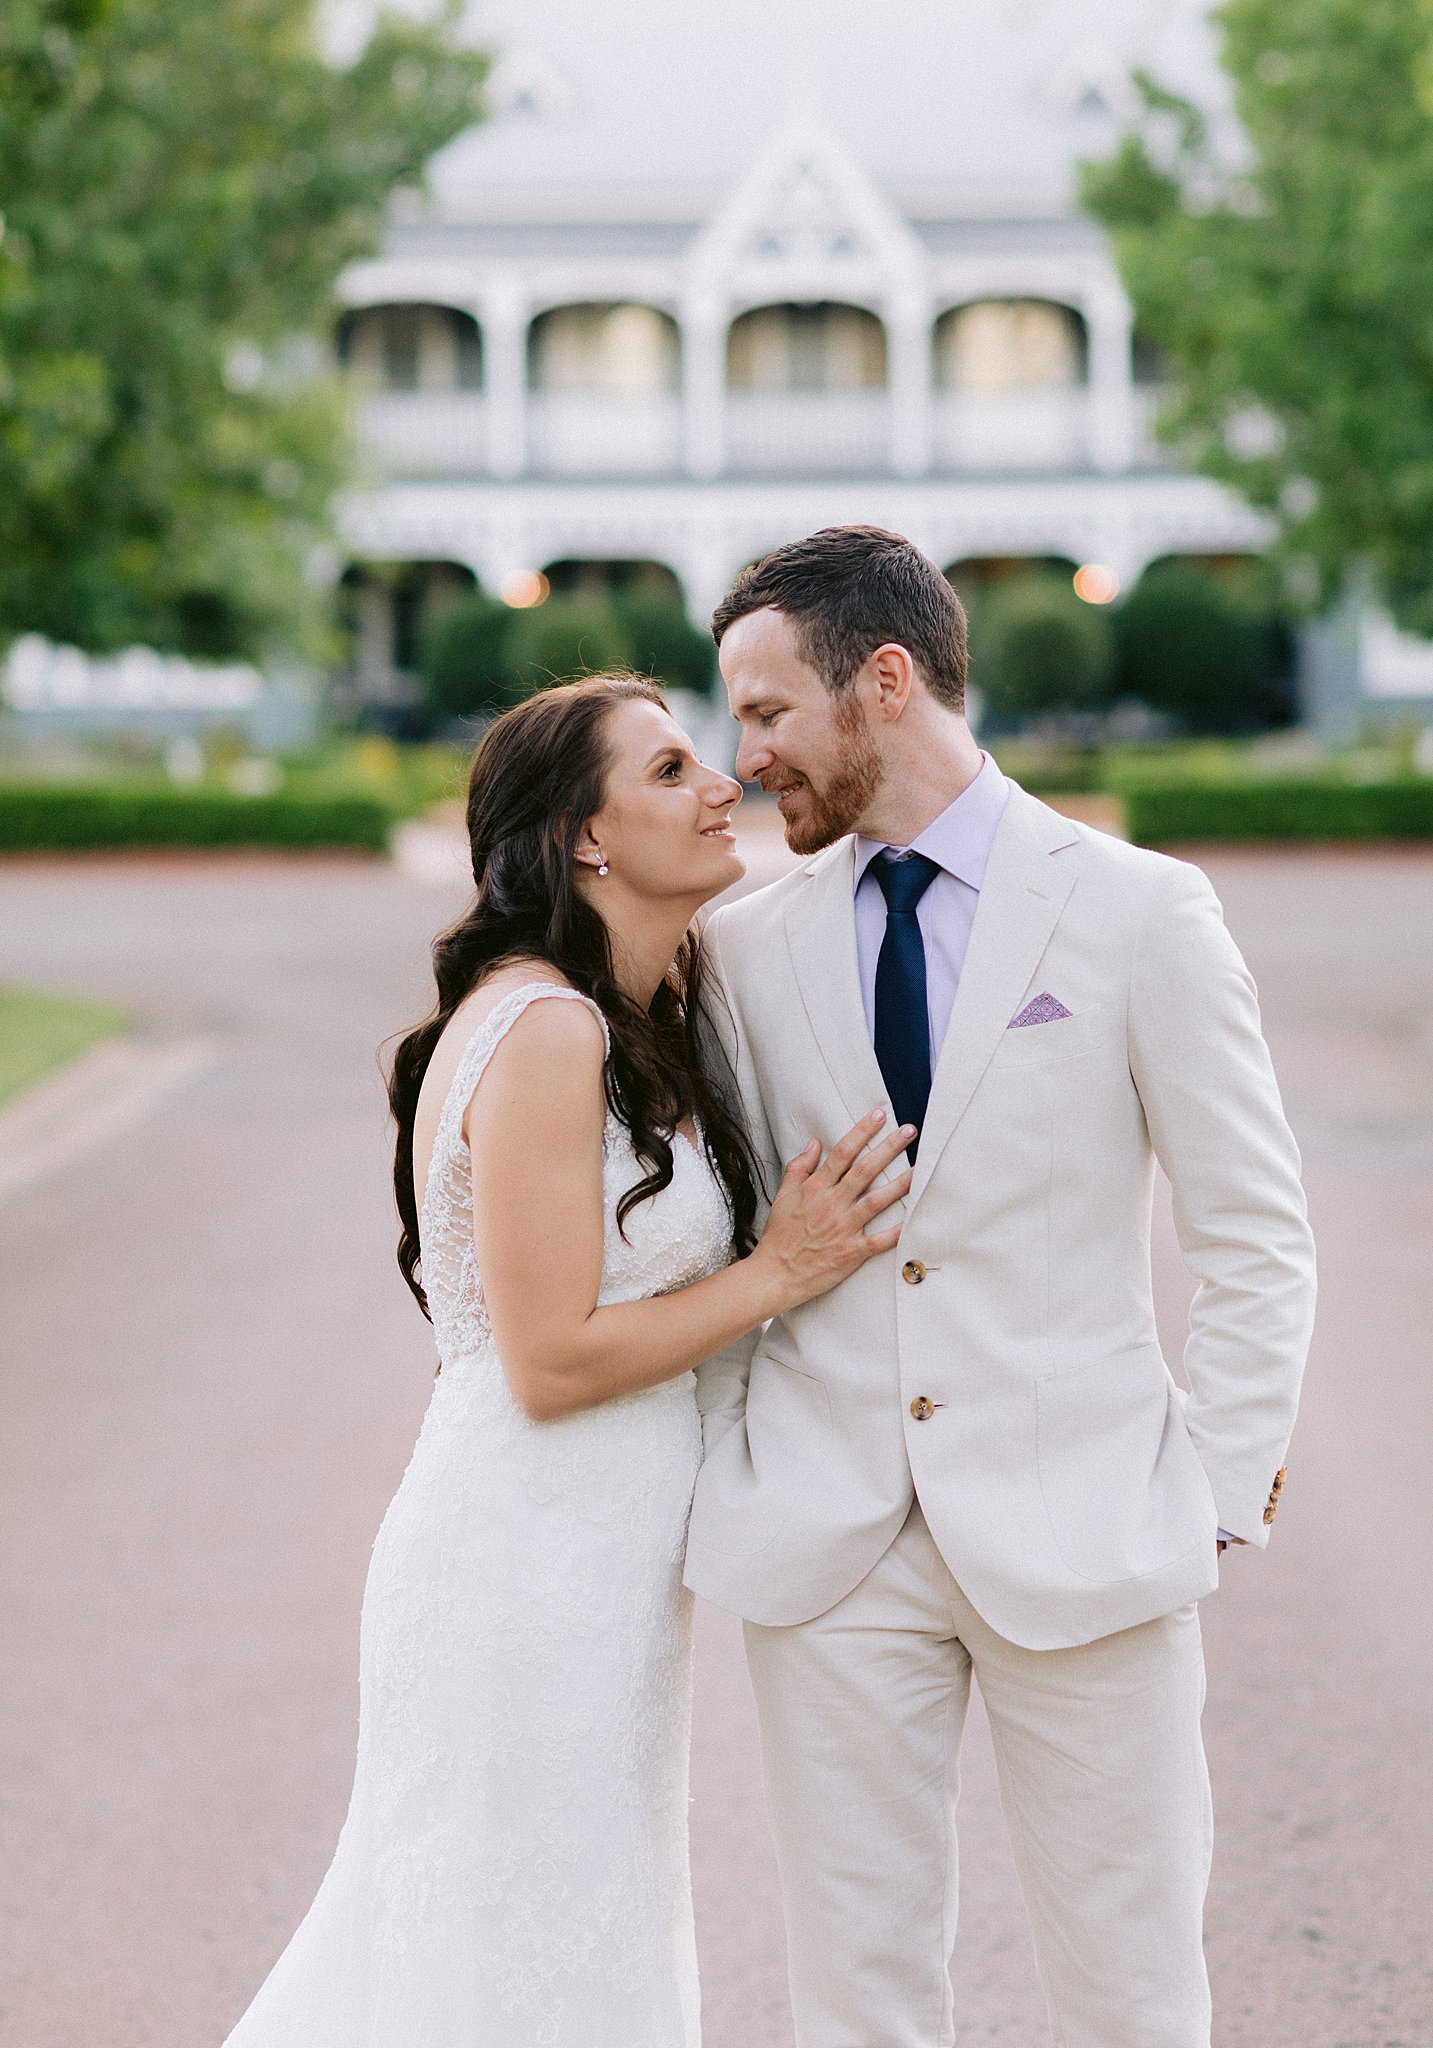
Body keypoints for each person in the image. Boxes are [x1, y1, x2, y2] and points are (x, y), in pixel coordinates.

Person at [686, 527, 1317, 2048]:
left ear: (883, 683)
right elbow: (713, 1235)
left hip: (1091, 1520)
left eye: (769, 711)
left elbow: (1251, 1229)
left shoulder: (1137, 911)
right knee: (854, 1999)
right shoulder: (742, 945)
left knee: (1130, 1989)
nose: (744, 753)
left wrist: (1214, 1487)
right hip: (829, 1544)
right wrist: (732, 1462)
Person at [221, 674, 913, 2048]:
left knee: (555, 1935)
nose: (720, 783)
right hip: (521, 1563)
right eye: (667, 772)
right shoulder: (549, 1030)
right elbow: (546, 1361)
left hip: (592, 1560)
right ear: (582, 838)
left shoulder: (621, 1015)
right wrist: (775, 1271)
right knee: (508, 1947)